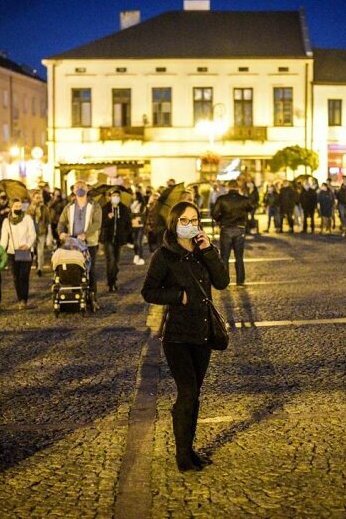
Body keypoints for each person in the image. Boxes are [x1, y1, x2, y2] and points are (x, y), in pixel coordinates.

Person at [141, 201, 229, 472]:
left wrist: (210, 251)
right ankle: (182, 454)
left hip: (202, 334)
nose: (190, 225)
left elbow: (222, 282)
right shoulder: (164, 256)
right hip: (177, 336)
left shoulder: (204, 252)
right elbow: (149, 291)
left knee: (194, 394)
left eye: (194, 220)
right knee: (188, 391)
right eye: (184, 220)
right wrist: (178, 296)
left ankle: (189, 448)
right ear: (174, 223)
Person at [58, 181, 102, 302]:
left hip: (90, 242)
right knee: (75, 267)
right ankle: (76, 294)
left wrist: (85, 234)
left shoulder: (95, 206)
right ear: (73, 191)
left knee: (90, 269)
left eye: (82, 187)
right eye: (77, 187)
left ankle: (92, 295)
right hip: (73, 243)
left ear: (87, 189)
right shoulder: (69, 207)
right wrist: (61, 232)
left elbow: (97, 223)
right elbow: (61, 221)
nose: (80, 189)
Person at [212, 180, 251, 286]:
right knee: (239, 256)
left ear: (228, 187)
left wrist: (221, 219)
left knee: (225, 256)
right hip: (240, 228)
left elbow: (214, 213)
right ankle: (240, 280)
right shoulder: (244, 199)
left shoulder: (222, 199)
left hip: (226, 228)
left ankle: (225, 280)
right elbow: (250, 208)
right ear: (237, 187)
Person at [0, 199, 36, 309]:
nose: (18, 208)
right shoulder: (6, 221)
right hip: (12, 252)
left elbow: (32, 234)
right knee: (16, 277)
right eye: (16, 206)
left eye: (20, 206)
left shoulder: (27, 218)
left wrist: (28, 245)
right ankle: (20, 298)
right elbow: (4, 238)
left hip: (25, 251)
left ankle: (24, 300)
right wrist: (0, 251)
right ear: (11, 207)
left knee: (24, 276)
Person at [99, 189, 132, 292]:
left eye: (117, 196)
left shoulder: (124, 209)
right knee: (111, 261)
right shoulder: (105, 209)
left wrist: (126, 235)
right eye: (114, 195)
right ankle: (111, 282)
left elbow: (128, 224)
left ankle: (114, 277)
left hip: (119, 239)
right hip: (108, 238)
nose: (115, 197)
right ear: (110, 197)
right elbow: (101, 224)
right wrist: (108, 218)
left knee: (116, 262)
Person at [27, 191, 52, 276]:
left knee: (40, 251)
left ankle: (40, 269)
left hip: (41, 232)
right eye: (36, 197)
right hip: (32, 233)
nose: (38, 199)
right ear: (33, 198)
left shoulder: (44, 208)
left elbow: (48, 220)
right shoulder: (29, 208)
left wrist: (49, 233)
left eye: (39, 197)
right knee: (32, 250)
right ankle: (35, 262)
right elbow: (26, 220)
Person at [130, 193, 147, 265]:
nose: (133, 196)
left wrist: (134, 214)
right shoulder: (132, 203)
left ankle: (141, 257)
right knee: (134, 242)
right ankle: (136, 255)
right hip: (133, 224)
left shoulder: (142, 204)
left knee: (138, 242)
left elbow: (142, 214)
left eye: (134, 195)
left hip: (140, 224)